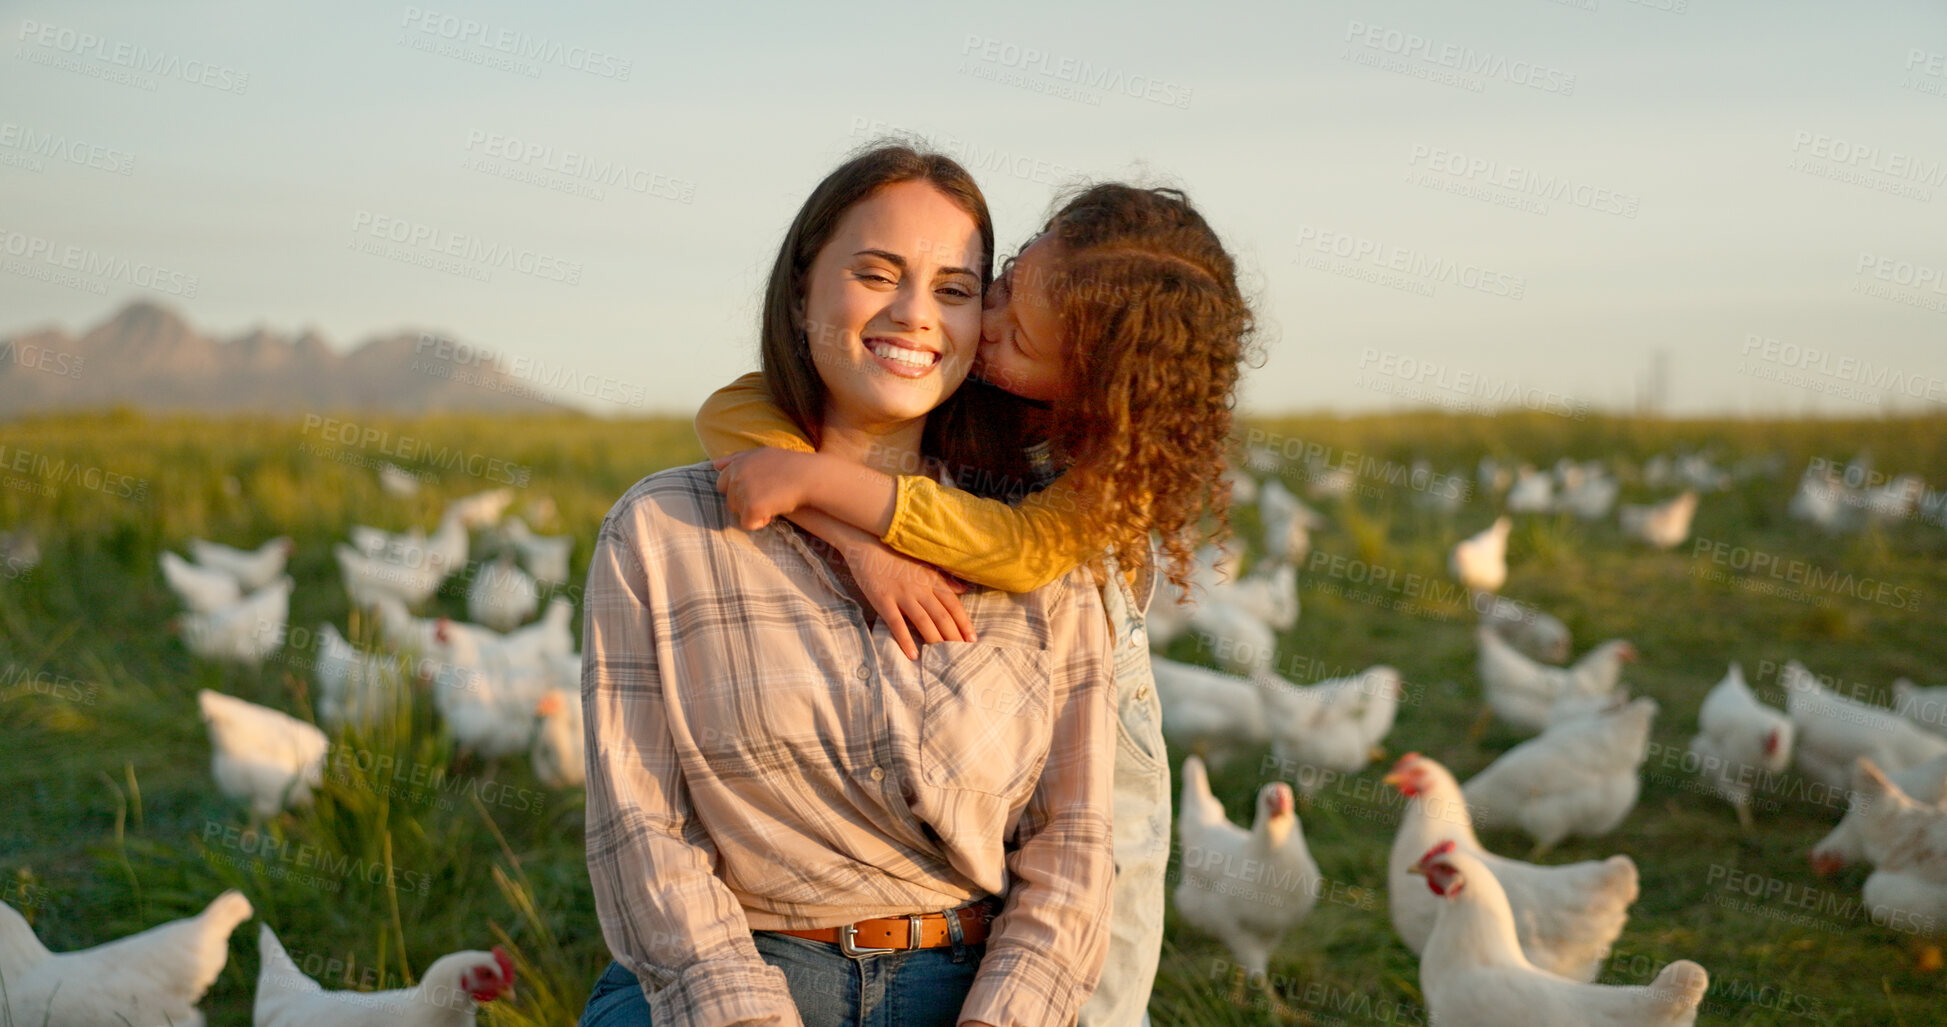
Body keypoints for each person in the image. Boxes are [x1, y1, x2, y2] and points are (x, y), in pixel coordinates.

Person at [579, 144, 1118, 1027]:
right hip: (732, 973)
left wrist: (1001, 1021)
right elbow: (640, 830)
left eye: (952, 289)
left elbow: (1075, 843)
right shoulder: (664, 528)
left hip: (973, 984)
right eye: (876, 274)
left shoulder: (1031, 541)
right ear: (801, 292)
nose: (914, 315)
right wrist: (746, 1014)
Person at [701, 181, 1256, 1026]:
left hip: (1094, 739)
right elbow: (734, 411)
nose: (984, 326)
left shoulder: (1107, 474)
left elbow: (1017, 550)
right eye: (1000, 289)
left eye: (1017, 335)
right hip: (962, 714)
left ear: (1092, 382)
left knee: (1083, 984)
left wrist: (820, 479)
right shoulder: (973, 378)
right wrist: (859, 549)